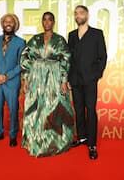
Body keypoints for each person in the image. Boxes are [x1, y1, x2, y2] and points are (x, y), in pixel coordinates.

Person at [20, 12, 74, 157]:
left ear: (53, 22)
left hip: (53, 77)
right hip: (36, 76)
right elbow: (26, 57)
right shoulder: (35, 39)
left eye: (50, 19)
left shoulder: (60, 40)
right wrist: (25, 78)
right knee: (35, 107)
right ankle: (34, 140)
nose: (47, 22)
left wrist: (63, 80)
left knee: (53, 107)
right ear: (42, 22)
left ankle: (55, 142)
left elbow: (66, 59)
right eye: (44, 19)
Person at [68, 5, 107, 160]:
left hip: (90, 80)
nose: (78, 15)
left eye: (81, 13)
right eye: (76, 13)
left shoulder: (97, 34)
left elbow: (102, 57)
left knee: (90, 110)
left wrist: (95, 76)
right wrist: (68, 78)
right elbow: (69, 59)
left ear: (87, 15)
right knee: (78, 109)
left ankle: (92, 144)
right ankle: (82, 137)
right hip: (75, 80)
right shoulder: (71, 35)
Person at [0, 13, 26, 147]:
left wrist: (7, 76)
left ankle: (13, 135)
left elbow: (21, 64)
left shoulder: (20, 42)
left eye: (11, 22)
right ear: (2, 24)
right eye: (6, 22)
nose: (8, 24)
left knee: (13, 109)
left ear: (15, 25)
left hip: (12, 82)